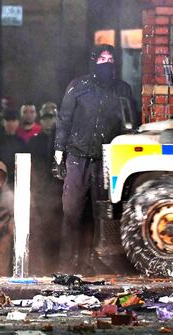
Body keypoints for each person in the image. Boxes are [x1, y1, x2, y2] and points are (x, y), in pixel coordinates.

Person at [54, 44, 134, 273]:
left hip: (106, 159)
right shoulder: (78, 87)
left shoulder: (122, 90)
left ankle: (94, 260)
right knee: (71, 212)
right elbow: (64, 120)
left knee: (101, 213)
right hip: (77, 157)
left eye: (110, 58)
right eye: (101, 58)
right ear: (93, 61)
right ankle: (67, 263)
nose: (106, 62)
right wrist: (59, 154)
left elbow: (129, 124)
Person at [28, 102, 62, 275]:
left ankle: (56, 268)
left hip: (58, 192)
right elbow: (31, 168)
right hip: (41, 192)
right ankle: (41, 269)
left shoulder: (63, 142)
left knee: (59, 234)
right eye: (45, 118)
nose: (48, 122)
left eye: (51, 117)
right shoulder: (34, 142)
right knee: (40, 233)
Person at [0, 108, 27, 186]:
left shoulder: (22, 142)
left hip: (18, 181)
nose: (10, 123)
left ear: (18, 122)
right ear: (3, 122)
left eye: (13, 120)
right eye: (8, 120)